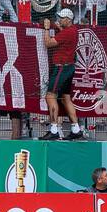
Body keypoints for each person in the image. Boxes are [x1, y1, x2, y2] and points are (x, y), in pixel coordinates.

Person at [40, 8, 86, 141]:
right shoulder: (73, 30)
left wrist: (47, 29)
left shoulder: (67, 33)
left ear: (68, 19)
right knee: (66, 98)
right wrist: (58, 27)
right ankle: (76, 130)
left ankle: (53, 130)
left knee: (50, 96)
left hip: (61, 67)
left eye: (61, 18)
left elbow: (48, 43)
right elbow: (65, 35)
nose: (59, 20)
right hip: (69, 67)